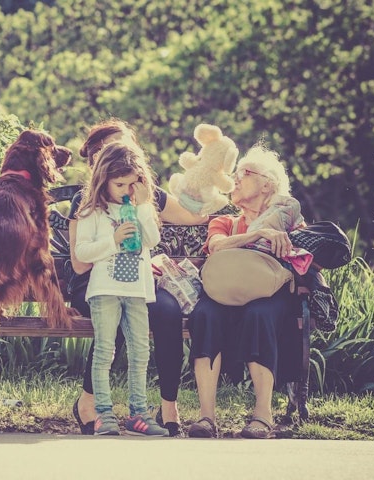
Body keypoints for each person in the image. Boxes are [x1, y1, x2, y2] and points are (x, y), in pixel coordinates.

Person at [69, 119, 208, 437]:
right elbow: (80, 263)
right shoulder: (87, 202)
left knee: (166, 312)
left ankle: (161, 407)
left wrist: (232, 206)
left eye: (129, 149)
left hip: (136, 282)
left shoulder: (144, 195)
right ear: (99, 161)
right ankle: (93, 405)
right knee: (112, 327)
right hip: (97, 282)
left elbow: (190, 217)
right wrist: (114, 240)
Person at [187, 143, 305, 439]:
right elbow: (214, 246)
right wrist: (258, 234)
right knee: (204, 314)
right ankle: (206, 417)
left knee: (259, 313)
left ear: (268, 184)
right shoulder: (226, 220)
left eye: (245, 173)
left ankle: (262, 416)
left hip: (269, 295)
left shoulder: (288, 219)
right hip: (224, 291)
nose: (235, 179)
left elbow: (307, 255)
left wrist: (286, 242)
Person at [75, 141, 167, 436]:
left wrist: (141, 207)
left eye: (132, 183)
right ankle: (103, 413)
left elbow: (152, 240)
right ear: (104, 180)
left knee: (140, 352)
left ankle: (138, 413)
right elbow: (83, 253)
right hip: (105, 291)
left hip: (138, 291)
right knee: (105, 351)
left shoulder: (141, 209)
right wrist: (113, 240)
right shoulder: (93, 212)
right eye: (119, 184)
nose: (126, 189)